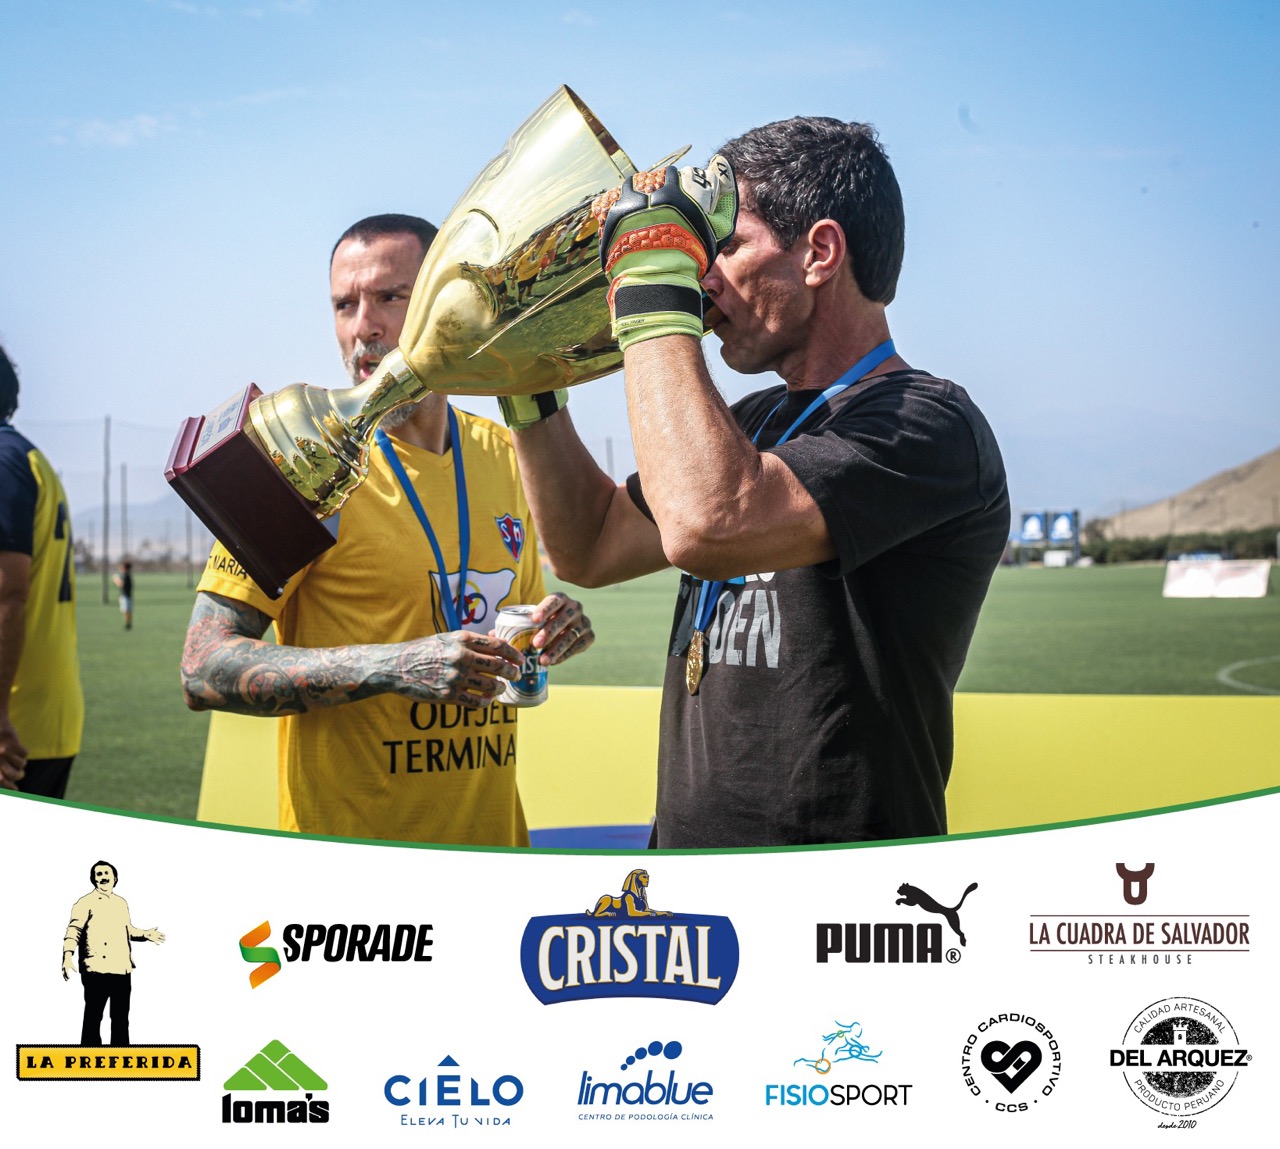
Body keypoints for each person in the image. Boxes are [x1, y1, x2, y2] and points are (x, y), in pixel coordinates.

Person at [503, 118, 1010, 847]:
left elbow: (708, 523)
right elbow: (587, 544)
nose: (705, 276)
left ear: (820, 254)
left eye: (728, 246)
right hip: (689, 877)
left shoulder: (925, 424)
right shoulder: (752, 421)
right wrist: (528, 382)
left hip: (831, 887)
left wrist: (651, 280)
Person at [181, 214, 594, 846]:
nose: (362, 328)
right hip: (355, 876)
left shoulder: (508, 454)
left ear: (443, 304)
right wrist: (392, 665)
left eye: (389, 298)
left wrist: (551, 627)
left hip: (496, 857)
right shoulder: (301, 465)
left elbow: (512, 625)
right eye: (344, 305)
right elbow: (203, 666)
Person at [0, 345, 83, 798]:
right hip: (45, 715)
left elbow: (8, 596)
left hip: (14, 725)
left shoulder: (3, 462)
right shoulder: (30, 460)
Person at [62, 860, 166, 1047]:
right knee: (93, 1017)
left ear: (115, 878)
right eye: (98, 874)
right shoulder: (85, 902)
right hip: (96, 970)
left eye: (106, 873)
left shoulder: (121, 903)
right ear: (93, 879)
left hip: (121, 969)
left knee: (121, 1018)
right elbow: (74, 930)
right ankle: (89, 1055)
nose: (103, 877)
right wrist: (67, 955)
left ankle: (121, 1055)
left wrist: (145, 934)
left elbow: (128, 930)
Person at [113, 560, 133, 629]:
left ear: (125, 568)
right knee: (128, 610)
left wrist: (115, 580)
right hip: (128, 595)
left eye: (122, 567)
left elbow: (121, 585)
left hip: (125, 596)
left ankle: (127, 623)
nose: (120, 568)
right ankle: (128, 623)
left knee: (125, 610)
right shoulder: (127, 575)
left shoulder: (125, 576)